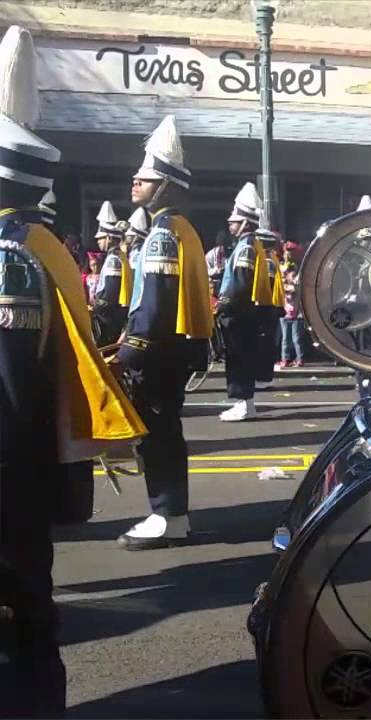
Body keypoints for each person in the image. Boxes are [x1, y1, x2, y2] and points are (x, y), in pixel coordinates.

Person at [0, 25, 146, 715]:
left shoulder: (10, 259)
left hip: (10, 477)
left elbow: (6, 395)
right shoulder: (40, 246)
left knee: (20, 625)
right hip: (29, 475)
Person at [114, 114, 214, 550]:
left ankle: (168, 514)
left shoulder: (160, 234)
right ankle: (172, 513)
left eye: (146, 178)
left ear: (166, 186)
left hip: (157, 354)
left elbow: (154, 307)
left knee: (158, 436)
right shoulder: (179, 229)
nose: (136, 183)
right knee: (165, 433)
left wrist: (128, 353)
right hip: (172, 352)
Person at [215, 182, 268, 422]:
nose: (230, 224)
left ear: (246, 223)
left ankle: (245, 403)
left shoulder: (246, 247)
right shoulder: (245, 245)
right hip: (241, 313)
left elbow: (240, 283)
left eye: (234, 221)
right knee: (238, 357)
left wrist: (222, 305)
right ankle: (243, 402)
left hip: (240, 314)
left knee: (239, 357)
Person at [90, 201, 127, 347]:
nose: (98, 241)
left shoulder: (113, 259)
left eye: (101, 238)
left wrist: (96, 307)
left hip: (108, 318)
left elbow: (110, 293)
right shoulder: (117, 256)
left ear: (110, 238)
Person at [254, 223, 285, 388]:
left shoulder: (266, 261)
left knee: (264, 343)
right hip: (270, 306)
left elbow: (266, 285)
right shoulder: (271, 258)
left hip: (266, 306)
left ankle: (263, 377)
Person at [278, 242, 304, 369]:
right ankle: (285, 359)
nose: (287, 255)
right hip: (284, 308)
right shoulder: (281, 267)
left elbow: (296, 288)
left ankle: (299, 358)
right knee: (285, 338)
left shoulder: (297, 269)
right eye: (285, 252)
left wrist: (289, 285)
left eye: (289, 252)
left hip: (296, 309)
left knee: (296, 338)